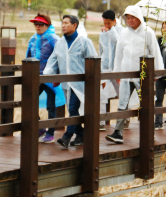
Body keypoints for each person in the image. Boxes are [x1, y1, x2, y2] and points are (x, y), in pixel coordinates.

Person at [105, 5, 164, 144]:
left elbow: (155, 52)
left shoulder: (148, 32)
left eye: (133, 17)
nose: (130, 20)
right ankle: (118, 133)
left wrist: (157, 72)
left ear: (139, 18)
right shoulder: (124, 33)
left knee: (145, 104)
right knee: (122, 103)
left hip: (142, 75)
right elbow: (119, 54)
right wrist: (117, 72)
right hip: (126, 74)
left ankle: (149, 132)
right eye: (128, 18)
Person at [43, 14, 98, 149]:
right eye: (62, 23)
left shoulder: (84, 42)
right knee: (71, 110)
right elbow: (53, 60)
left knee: (73, 108)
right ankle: (81, 134)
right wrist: (48, 75)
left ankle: (67, 137)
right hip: (66, 83)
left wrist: (95, 79)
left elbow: (94, 61)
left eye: (66, 23)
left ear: (74, 25)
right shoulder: (60, 43)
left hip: (80, 83)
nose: (63, 25)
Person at [26, 13, 64, 143]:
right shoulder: (33, 39)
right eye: (35, 24)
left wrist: (57, 75)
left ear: (47, 25)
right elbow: (28, 57)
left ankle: (51, 133)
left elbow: (61, 57)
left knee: (51, 106)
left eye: (40, 24)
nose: (37, 26)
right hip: (36, 77)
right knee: (29, 101)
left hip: (49, 77)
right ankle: (40, 128)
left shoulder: (54, 39)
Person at [99, 10, 119, 131]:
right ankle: (101, 121)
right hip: (105, 67)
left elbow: (118, 41)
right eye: (105, 23)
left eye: (109, 23)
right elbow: (101, 49)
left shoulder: (120, 31)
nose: (106, 26)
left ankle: (124, 119)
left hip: (117, 68)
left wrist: (110, 31)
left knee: (122, 93)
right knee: (102, 94)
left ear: (114, 21)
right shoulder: (103, 32)